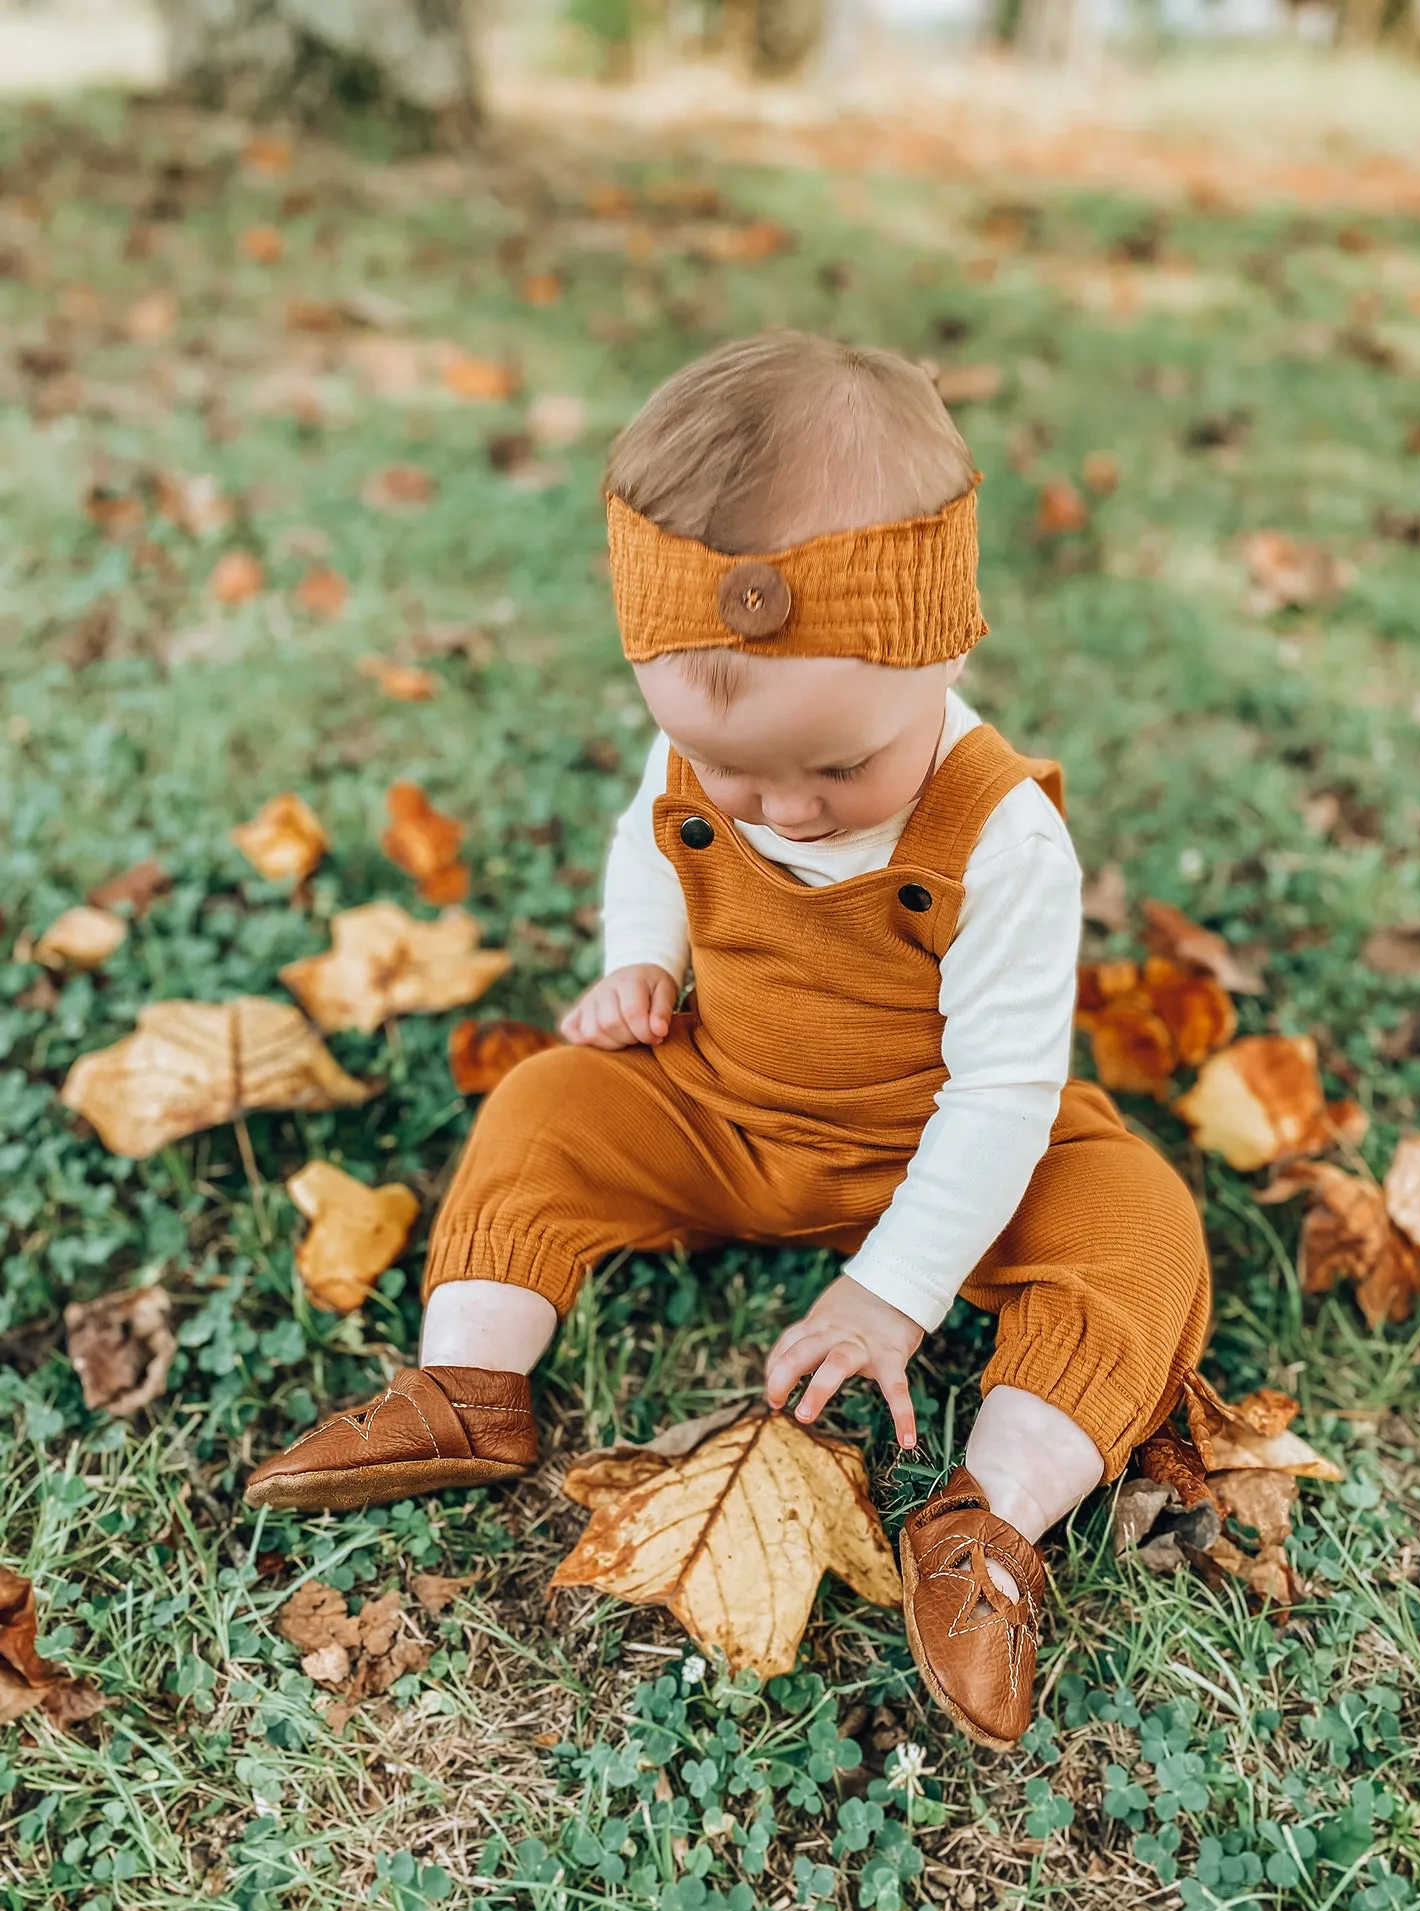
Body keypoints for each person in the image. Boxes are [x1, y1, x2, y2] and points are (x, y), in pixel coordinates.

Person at [247, 331, 1211, 1747]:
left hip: (946, 1152)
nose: (788, 811)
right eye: (736, 771)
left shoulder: (1001, 835)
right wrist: (640, 962)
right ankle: (469, 1380)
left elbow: (1007, 1090)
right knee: (552, 1101)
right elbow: (652, 842)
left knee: (1139, 1227)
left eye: (837, 767)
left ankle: (989, 1519)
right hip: (730, 1109)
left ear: (943, 644)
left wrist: (892, 1291)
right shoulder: (709, 755)